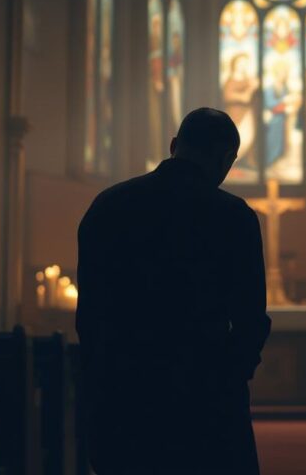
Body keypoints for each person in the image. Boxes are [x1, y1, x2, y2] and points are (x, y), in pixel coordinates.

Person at [76, 108, 271, 475]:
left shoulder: (108, 206)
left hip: (124, 397)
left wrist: (103, 385)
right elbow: (250, 320)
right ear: (227, 159)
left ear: (173, 146)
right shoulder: (233, 216)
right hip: (207, 401)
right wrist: (229, 378)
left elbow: (90, 315)